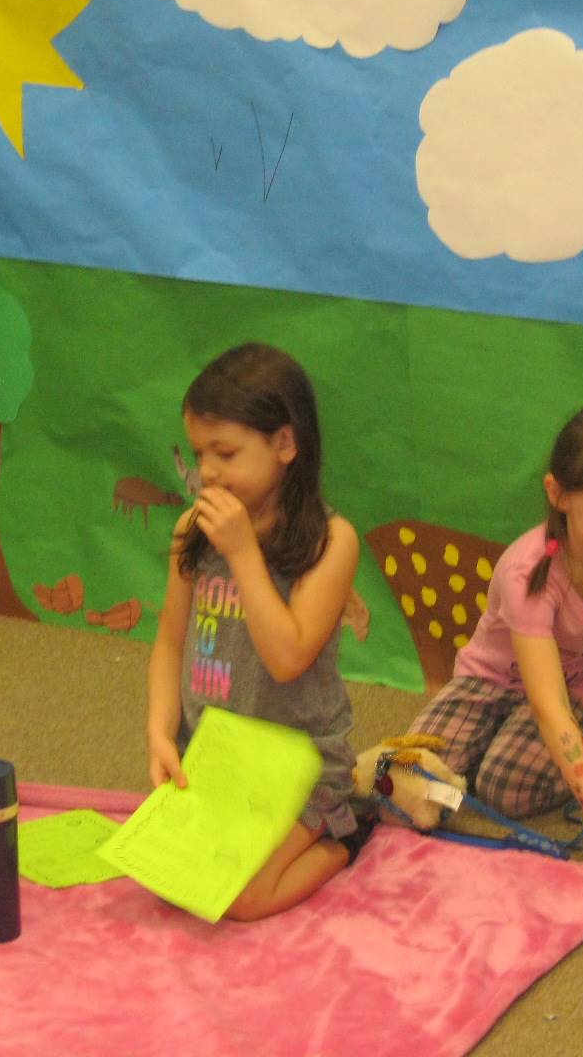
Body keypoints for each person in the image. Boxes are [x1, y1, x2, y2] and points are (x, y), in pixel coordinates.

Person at [408, 403, 583, 877]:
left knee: (502, 787)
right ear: (559, 494)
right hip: (492, 682)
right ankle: (483, 747)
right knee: (410, 771)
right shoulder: (529, 569)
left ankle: (502, 755)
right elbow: (544, 699)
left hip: (575, 694)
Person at [146, 342, 366, 921]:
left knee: (240, 900)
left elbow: (288, 657)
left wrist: (244, 553)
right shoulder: (191, 529)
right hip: (218, 760)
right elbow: (169, 643)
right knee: (168, 878)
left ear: (285, 444)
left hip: (298, 764)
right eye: (200, 453)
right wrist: (160, 733)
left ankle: (341, 841)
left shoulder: (332, 541)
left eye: (226, 452)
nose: (209, 472)